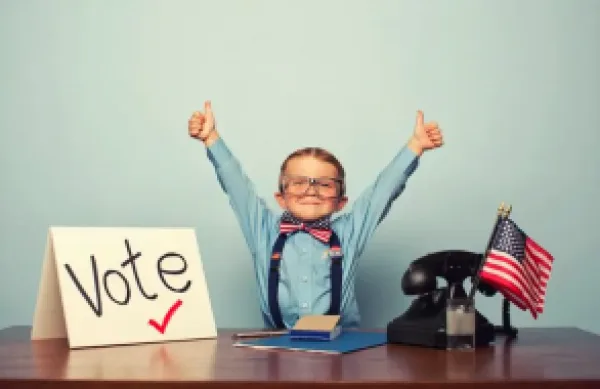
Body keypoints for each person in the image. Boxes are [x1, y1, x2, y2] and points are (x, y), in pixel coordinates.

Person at [188, 100, 443, 329]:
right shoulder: (262, 230)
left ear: (341, 202)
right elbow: (236, 186)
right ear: (281, 198)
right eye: (298, 182)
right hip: (277, 348)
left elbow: (383, 191)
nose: (311, 190)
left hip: (343, 347)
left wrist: (415, 146)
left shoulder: (349, 232)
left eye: (324, 184)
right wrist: (211, 139)